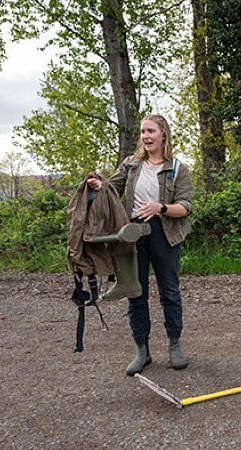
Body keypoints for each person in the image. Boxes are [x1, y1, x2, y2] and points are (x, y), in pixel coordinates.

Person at [88, 114, 193, 376]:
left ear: (163, 135)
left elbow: (186, 207)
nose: (146, 136)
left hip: (165, 233)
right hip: (133, 233)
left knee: (169, 291)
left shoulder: (177, 168)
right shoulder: (130, 165)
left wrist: (162, 207)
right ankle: (142, 351)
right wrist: (99, 185)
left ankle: (174, 345)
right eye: (143, 132)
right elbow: (111, 189)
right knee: (136, 292)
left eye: (151, 131)